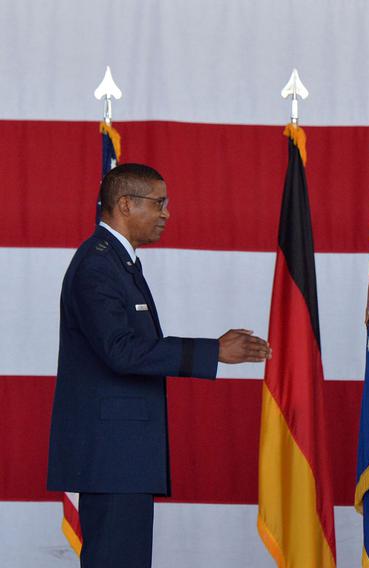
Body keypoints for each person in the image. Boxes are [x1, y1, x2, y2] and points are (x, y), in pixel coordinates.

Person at [47, 163, 272, 568]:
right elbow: (121, 351)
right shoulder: (98, 265)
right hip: (113, 458)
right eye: (159, 203)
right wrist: (212, 352)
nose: (167, 213)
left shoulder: (119, 261)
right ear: (125, 205)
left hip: (124, 456)